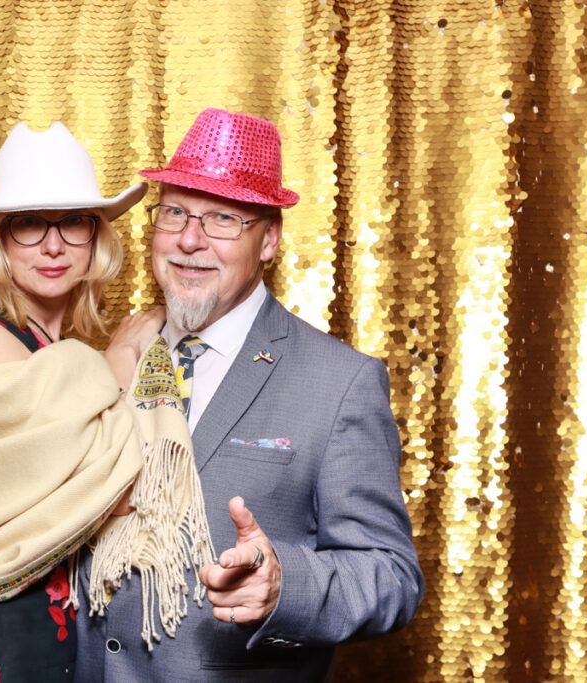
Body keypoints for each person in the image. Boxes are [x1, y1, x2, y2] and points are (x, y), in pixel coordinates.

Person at [75, 108, 424, 682]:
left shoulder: (339, 382)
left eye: (223, 218)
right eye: (175, 212)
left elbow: (391, 576)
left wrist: (286, 584)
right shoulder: (113, 357)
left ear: (269, 241)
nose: (190, 238)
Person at [0, 121, 202, 682]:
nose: (54, 244)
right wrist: (119, 358)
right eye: (29, 225)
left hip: (58, 643)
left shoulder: (61, 353)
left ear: (96, 238)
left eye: (72, 223)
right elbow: (100, 482)